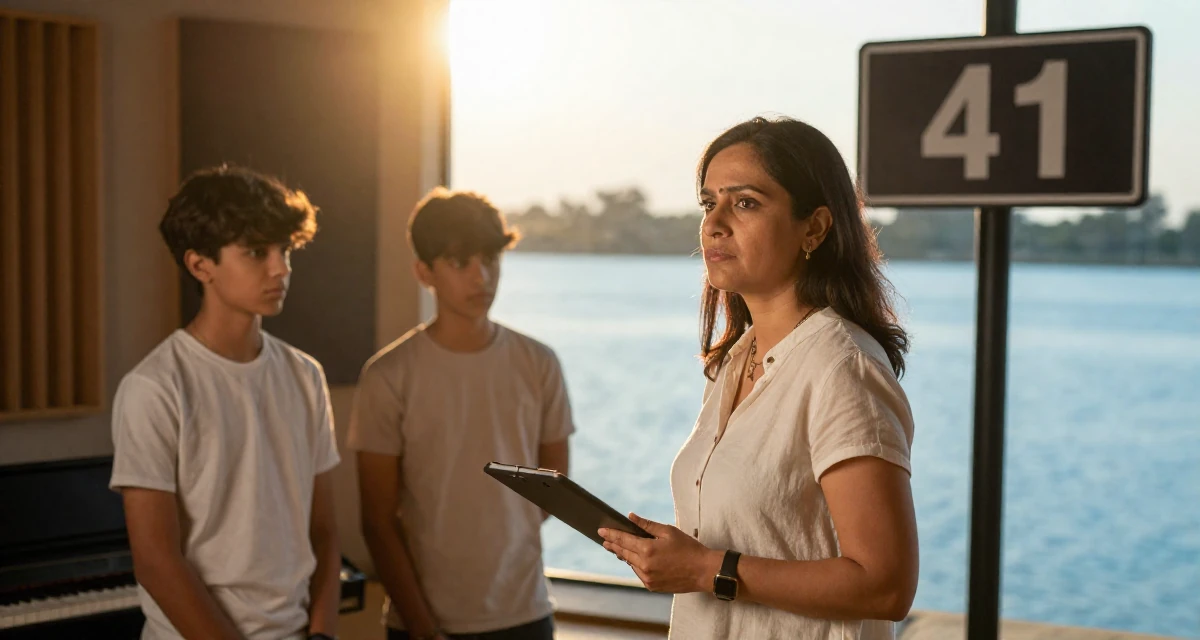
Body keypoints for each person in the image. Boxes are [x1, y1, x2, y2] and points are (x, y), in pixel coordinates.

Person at [600, 116, 919, 639]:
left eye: (745, 202)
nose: (714, 224)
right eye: (709, 203)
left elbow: (886, 586)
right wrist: (673, 558)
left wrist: (705, 569)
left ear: (813, 228)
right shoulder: (736, 361)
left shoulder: (842, 368)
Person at [109, 165, 342, 640]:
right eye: (257, 252)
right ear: (200, 265)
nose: (280, 268)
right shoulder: (156, 387)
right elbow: (156, 560)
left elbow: (324, 533)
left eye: (286, 250)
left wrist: (321, 634)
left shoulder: (305, 376)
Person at [348, 188, 574, 640]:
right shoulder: (388, 375)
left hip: (525, 612)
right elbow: (376, 520)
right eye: (459, 262)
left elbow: (553, 492)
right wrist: (422, 627)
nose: (481, 277)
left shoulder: (538, 362)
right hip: (422, 621)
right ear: (423, 271)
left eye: (491, 259)